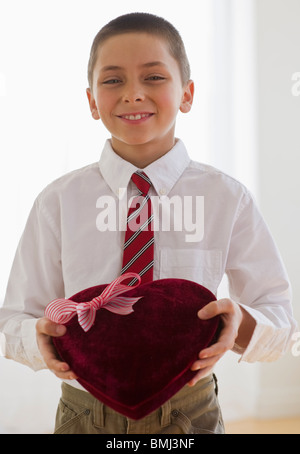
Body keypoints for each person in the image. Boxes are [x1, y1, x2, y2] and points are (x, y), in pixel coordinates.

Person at [0, 12, 297, 435]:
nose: (133, 94)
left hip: (189, 413)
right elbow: (14, 317)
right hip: (83, 413)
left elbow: (280, 318)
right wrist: (38, 337)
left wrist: (239, 325)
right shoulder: (57, 202)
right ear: (91, 101)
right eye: (113, 80)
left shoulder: (226, 198)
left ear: (187, 94)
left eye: (154, 77)